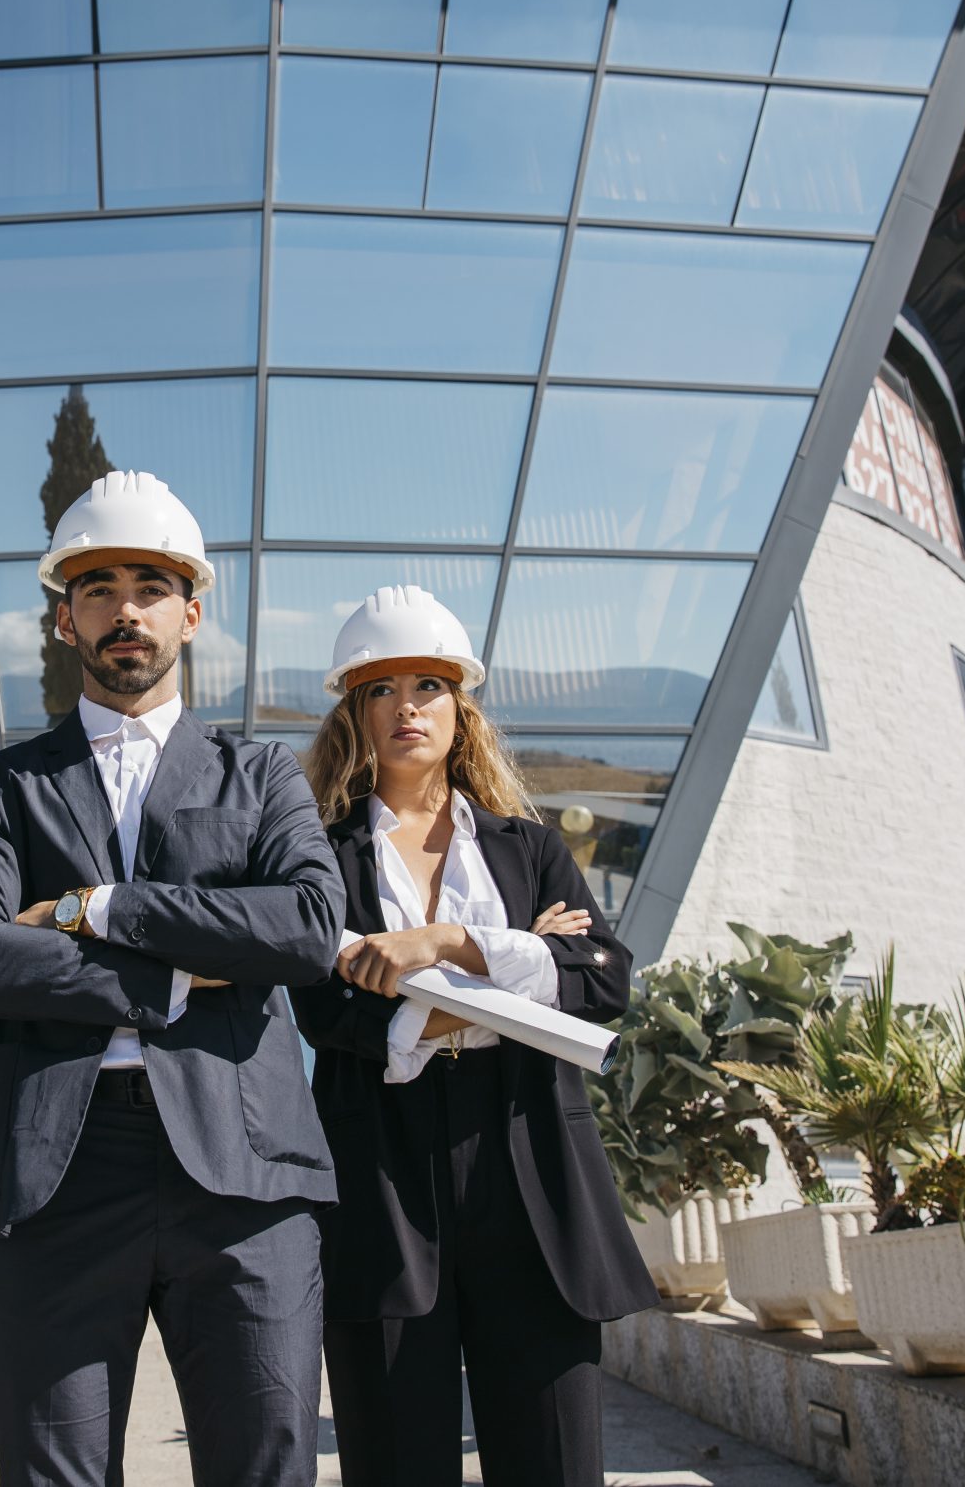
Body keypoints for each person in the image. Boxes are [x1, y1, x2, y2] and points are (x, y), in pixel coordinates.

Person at [0, 470, 344, 1487]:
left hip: (245, 1166)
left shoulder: (264, 774)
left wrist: (93, 908)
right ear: (63, 618)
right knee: (51, 1473)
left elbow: (305, 929)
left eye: (150, 586)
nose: (125, 609)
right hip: (52, 1172)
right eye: (98, 586)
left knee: (262, 1468)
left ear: (191, 613)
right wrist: (173, 976)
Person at [291, 586, 658, 1487]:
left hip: (528, 1149)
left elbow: (605, 981)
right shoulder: (317, 853)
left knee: (554, 1464)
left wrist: (440, 947)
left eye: (428, 685)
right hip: (379, 1161)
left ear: (462, 710)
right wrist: (523, 963)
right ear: (354, 711)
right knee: (396, 1459)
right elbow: (324, 1007)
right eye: (381, 688)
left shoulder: (528, 846)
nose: (406, 706)